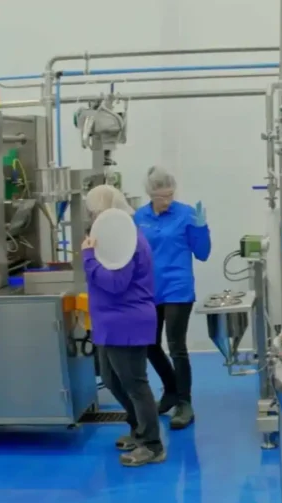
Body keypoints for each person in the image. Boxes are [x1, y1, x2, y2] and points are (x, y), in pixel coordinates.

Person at [83, 185, 165, 466]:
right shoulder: (114, 237)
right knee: (111, 380)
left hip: (126, 321)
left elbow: (115, 284)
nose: (91, 218)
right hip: (111, 322)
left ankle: (152, 445)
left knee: (135, 384)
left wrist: (88, 259)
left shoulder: (125, 239)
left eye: (94, 212)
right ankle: (138, 429)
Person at [134, 166, 212, 430]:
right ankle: (170, 390)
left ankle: (184, 403)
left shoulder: (186, 214)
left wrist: (201, 228)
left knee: (176, 345)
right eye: (160, 196)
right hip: (148, 289)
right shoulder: (139, 217)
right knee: (149, 345)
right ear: (150, 193)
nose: (166, 201)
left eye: (169, 195)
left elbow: (202, 253)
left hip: (178, 288)